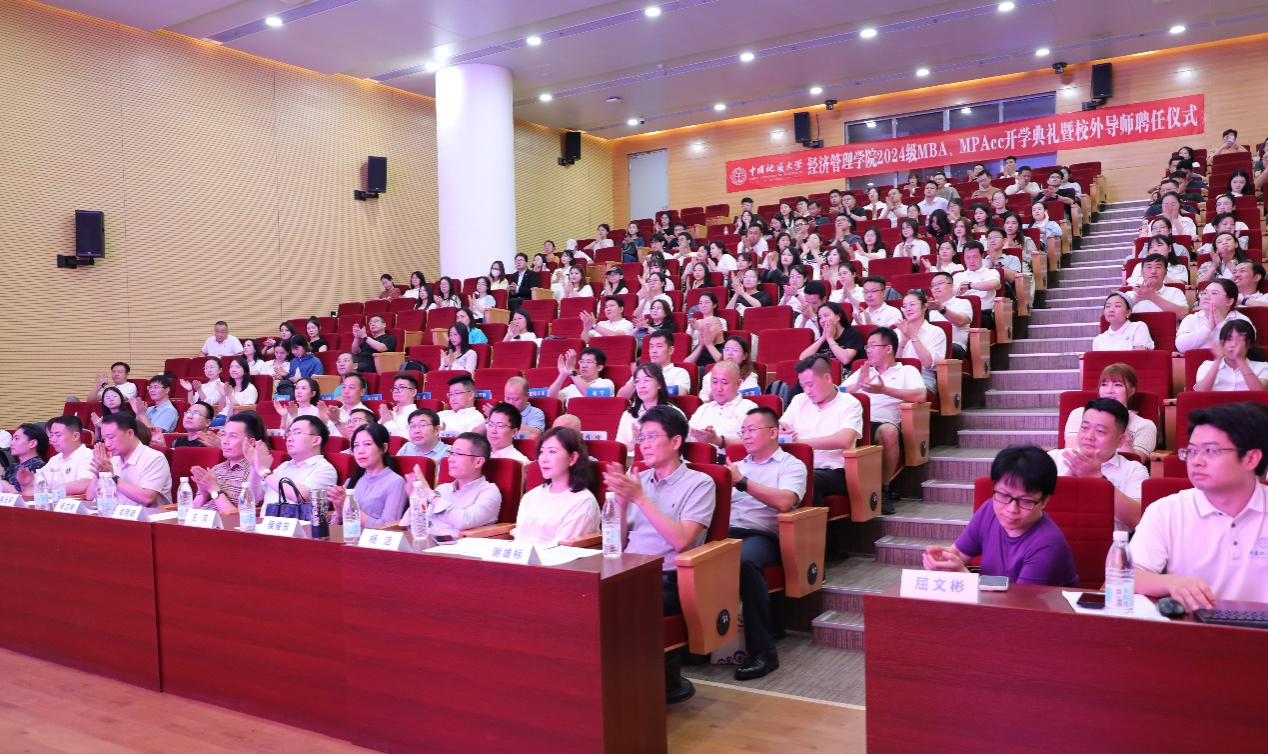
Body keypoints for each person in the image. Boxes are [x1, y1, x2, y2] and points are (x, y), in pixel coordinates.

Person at [602, 405, 715, 702]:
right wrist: (621, 503)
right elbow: (618, 542)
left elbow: (682, 541)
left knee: (618, 603)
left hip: (669, 578)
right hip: (626, 571)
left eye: (652, 437)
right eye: (642, 438)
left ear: (676, 441)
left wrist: (639, 498)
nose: (645, 444)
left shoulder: (699, 483)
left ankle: (631, 693)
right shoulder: (637, 480)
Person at [1132, 402, 1268, 607]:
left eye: (1210, 451)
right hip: (1192, 625)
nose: (1196, 461)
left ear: (1251, 458)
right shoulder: (1166, 511)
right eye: (1192, 451)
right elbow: (1128, 575)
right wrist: (1170, 583)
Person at [723, 406, 807, 680]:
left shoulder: (791, 465)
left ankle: (763, 652)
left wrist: (742, 482)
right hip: (726, 532)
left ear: (773, 432)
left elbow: (785, 501)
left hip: (763, 536)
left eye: (751, 430)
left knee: (744, 561)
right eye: (743, 431)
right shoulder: (737, 466)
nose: (745, 436)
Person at [923, 446, 1078, 587]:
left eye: (1025, 500)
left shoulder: (1047, 545)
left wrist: (965, 577)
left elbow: (1017, 604)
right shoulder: (989, 509)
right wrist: (943, 562)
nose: (1011, 509)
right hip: (992, 600)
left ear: (1044, 501)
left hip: (1029, 607)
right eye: (1004, 495)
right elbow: (958, 554)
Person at [843, 328, 926, 508]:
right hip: (855, 421)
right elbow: (837, 392)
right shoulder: (864, 371)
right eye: (867, 346)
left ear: (888, 349)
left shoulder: (907, 371)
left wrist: (884, 390)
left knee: (888, 432)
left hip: (881, 424)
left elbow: (920, 395)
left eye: (873, 346)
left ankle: (883, 490)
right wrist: (856, 385)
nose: (868, 350)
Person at [1048, 398, 1148, 532]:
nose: (1089, 436)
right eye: (1084, 428)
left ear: (1120, 441)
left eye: (1100, 431)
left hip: (1111, 543)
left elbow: (1139, 521)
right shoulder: (1053, 459)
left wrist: (1097, 477)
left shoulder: (1134, 470)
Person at [513, 427, 601, 546]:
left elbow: (559, 550)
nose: (543, 459)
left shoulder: (583, 502)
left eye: (552, 452)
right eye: (542, 452)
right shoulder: (531, 496)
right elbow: (519, 538)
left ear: (573, 458)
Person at [405, 432, 501, 537]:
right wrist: (416, 499)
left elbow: (464, 521)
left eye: (458, 454)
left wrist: (428, 493)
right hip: (425, 542)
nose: (450, 459)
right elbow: (414, 527)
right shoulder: (443, 489)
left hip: (456, 546)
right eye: (450, 453)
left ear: (478, 462)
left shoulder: (489, 491)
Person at [248, 415, 337, 513]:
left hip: (299, 523)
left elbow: (300, 496)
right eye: (289, 434)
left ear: (316, 440)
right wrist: (254, 465)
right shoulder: (284, 466)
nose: (289, 439)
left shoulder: (325, 469)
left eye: (296, 433)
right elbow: (255, 497)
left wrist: (264, 472)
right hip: (265, 522)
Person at [326, 423, 407, 528]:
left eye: (367, 444)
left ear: (384, 448)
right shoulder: (351, 481)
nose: (360, 451)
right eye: (356, 445)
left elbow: (389, 527)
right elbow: (334, 528)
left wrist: (350, 507)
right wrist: (340, 513)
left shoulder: (396, 482)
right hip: (346, 535)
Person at [86, 412, 173, 507]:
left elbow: (147, 499)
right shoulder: (113, 460)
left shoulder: (155, 458)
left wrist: (113, 477)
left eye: (111, 437)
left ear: (130, 433)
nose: (107, 444)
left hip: (147, 515)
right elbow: (90, 497)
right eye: (104, 439)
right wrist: (99, 472)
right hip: (117, 514)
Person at [190, 411, 265, 515]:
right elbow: (191, 511)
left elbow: (240, 518)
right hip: (199, 520)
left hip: (222, 523)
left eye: (233, 436)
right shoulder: (217, 469)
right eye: (224, 435)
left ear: (250, 442)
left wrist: (214, 489)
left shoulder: (255, 473)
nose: (225, 441)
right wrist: (203, 495)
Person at [688, 360, 757, 449]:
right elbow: (691, 438)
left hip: (732, 457)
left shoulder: (749, 409)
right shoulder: (703, 409)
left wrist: (718, 440)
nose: (718, 388)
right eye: (714, 382)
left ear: (738, 384)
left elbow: (754, 442)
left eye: (724, 383)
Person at [616, 364, 684, 451]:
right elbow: (618, 449)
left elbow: (678, 450)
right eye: (637, 381)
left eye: (646, 380)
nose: (641, 385)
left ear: (659, 384)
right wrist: (633, 444)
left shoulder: (673, 414)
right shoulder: (628, 414)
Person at [1177, 279, 1251, 353]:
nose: (1206, 297)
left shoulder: (1241, 320)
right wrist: (1208, 327)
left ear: (1229, 301)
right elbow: (1181, 347)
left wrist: (1221, 324)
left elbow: (1244, 347)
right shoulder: (1191, 319)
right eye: (1204, 293)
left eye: (1214, 293)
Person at [895, 289, 948, 393]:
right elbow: (893, 365)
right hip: (898, 377)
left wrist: (913, 336)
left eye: (912, 304)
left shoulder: (936, 332)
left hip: (923, 377)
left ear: (924, 306)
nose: (908, 309)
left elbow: (928, 364)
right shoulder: (896, 332)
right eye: (904, 306)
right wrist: (902, 343)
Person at [1195, 320, 1268, 391]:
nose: (1233, 344)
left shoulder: (1263, 367)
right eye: (1229, 339)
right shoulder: (1207, 366)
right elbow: (1201, 393)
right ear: (1221, 343)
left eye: (1240, 339)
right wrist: (1218, 360)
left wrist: (1239, 359)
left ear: (1250, 343)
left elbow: (1259, 393)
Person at [800, 301, 864, 369]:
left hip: (846, 373)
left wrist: (830, 339)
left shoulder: (852, 333)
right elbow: (802, 359)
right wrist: (823, 338)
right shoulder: (823, 339)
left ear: (838, 317)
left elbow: (845, 360)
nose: (823, 320)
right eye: (820, 317)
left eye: (826, 315)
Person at [40, 416, 93, 498]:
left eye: (58, 435)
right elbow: (39, 481)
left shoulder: (89, 456)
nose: (53, 439)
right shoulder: (55, 459)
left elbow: (85, 484)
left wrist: (48, 488)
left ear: (75, 436)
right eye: (51, 435)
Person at [1124, 254, 1190, 317]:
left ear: (1165, 272)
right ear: (1142, 273)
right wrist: (1138, 297)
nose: (1153, 271)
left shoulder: (1175, 292)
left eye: (1158, 267)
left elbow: (1183, 315)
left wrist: (1152, 296)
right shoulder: (1130, 294)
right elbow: (1119, 317)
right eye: (1149, 267)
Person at [953, 242, 1000, 329]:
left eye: (975, 257)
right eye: (967, 257)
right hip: (959, 313)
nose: (971, 261)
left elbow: (993, 284)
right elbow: (949, 296)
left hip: (982, 314)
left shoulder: (991, 272)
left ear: (982, 256)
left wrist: (970, 286)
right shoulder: (957, 276)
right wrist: (957, 292)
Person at [548, 347, 614, 408]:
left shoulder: (606, 383)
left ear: (599, 367)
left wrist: (572, 370)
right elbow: (551, 398)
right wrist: (562, 375)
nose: (584, 365)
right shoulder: (572, 387)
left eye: (589, 362)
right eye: (582, 362)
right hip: (570, 416)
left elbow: (589, 395)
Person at [0, 423, 48, 496]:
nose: (12, 443)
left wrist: (2, 481)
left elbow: (21, 493)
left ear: (32, 443)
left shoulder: (39, 467)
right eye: (12, 439)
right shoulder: (14, 466)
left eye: (17, 439)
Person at [379, 372, 421, 438]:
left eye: (401, 387)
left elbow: (411, 440)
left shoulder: (418, 416)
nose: (395, 391)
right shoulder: (389, 414)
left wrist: (389, 422)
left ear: (413, 392)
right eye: (395, 388)